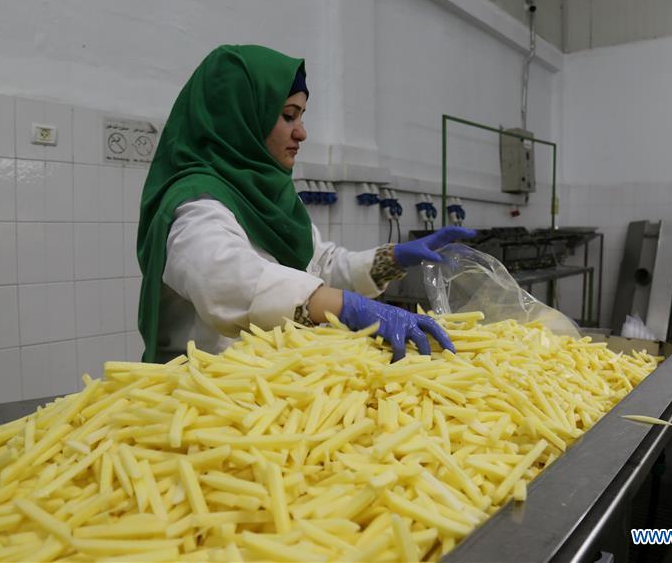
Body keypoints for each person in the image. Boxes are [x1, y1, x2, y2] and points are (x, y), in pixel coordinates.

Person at [136, 44, 474, 364]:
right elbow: (229, 282)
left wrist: (393, 259)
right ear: (239, 117)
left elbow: (319, 266)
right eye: (288, 115)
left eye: (301, 116)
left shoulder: (272, 196)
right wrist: (347, 307)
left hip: (273, 388)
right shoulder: (196, 203)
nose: (302, 133)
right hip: (208, 400)